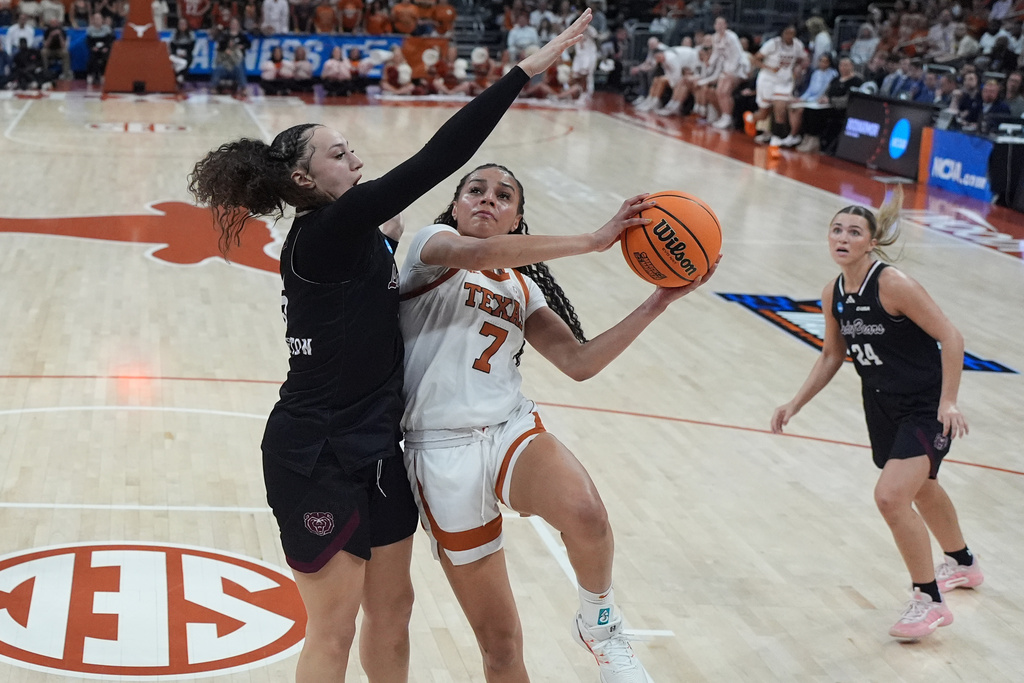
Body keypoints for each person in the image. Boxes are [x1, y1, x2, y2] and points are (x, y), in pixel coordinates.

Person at [186, 13, 593, 682]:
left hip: (378, 446)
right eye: (339, 153)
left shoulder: (367, 233)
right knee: (334, 627)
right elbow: (440, 159)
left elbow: (407, 231)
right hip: (314, 449)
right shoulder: (325, 231)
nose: (358, 159)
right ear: (307, 182)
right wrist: (524, 70)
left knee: (394, 610)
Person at [398, 163, 719, 682]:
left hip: (508, 429)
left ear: (517, 219)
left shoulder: (523, 289)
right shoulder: (431, 247)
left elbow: (579, 363)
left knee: (585, 512)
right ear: (455, 206)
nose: (487, 200)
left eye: (503, 197)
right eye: (475, 191)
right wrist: (595, 240)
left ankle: (600, 626)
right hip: (440, 450)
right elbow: (478, 254)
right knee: (501, 648)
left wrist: (658, 302)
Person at [770, 186, 983, 641]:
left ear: (871, 241)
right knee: (923, 489)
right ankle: (963, 564)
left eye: (853, 231)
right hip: (882, 406)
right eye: (836, 230)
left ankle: (929, 601)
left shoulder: (893, 284)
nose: (842, 238)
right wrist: (795, 402)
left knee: (890, 497)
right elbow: (831, 355)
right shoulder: (834, 292)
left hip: (925, 407)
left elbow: (952, 337)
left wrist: (949, 401)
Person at [749, 24, 808, 144]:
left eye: (792, 33)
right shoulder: (773, 44)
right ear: (782, 33)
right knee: (764, 113)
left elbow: (802, 59)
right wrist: (769, 67)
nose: (790, 36)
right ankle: (751, 118)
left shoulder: (797, 45)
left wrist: (798, 67)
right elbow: (754, 59)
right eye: (787, 33)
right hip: (768, 80)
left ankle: (777, 137)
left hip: (784, 81)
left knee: (780, 109)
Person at [168, 18, 196, 84]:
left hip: (187, 53)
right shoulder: (174, 34)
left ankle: (181, 76)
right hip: (176, 53)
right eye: (180, 24)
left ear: (187, 25)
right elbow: (172, 46)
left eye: (184, 24)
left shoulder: (191, 34)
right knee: (172, 60)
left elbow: (191, 47)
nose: (182, 26)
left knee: (187, 60)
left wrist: (185, 52)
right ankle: (176, 76)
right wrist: (176, 53)